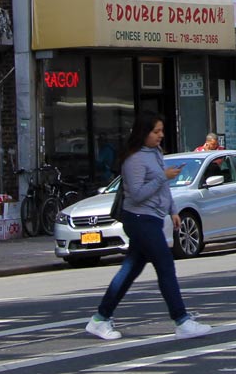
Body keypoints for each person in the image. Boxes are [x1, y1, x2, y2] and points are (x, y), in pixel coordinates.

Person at [86, 115, 212, 342]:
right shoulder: (134, 160)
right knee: (165, 265)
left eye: (161, 131)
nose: (161, 135)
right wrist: (163, 177)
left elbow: (163, 188)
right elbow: (137, 194)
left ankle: (100, 318)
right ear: (143, 133)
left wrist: (173, 210)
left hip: (152, 218)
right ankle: (182, 320)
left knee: (130, 269)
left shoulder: (155, 153)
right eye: (156, 131)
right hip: (139, 219)